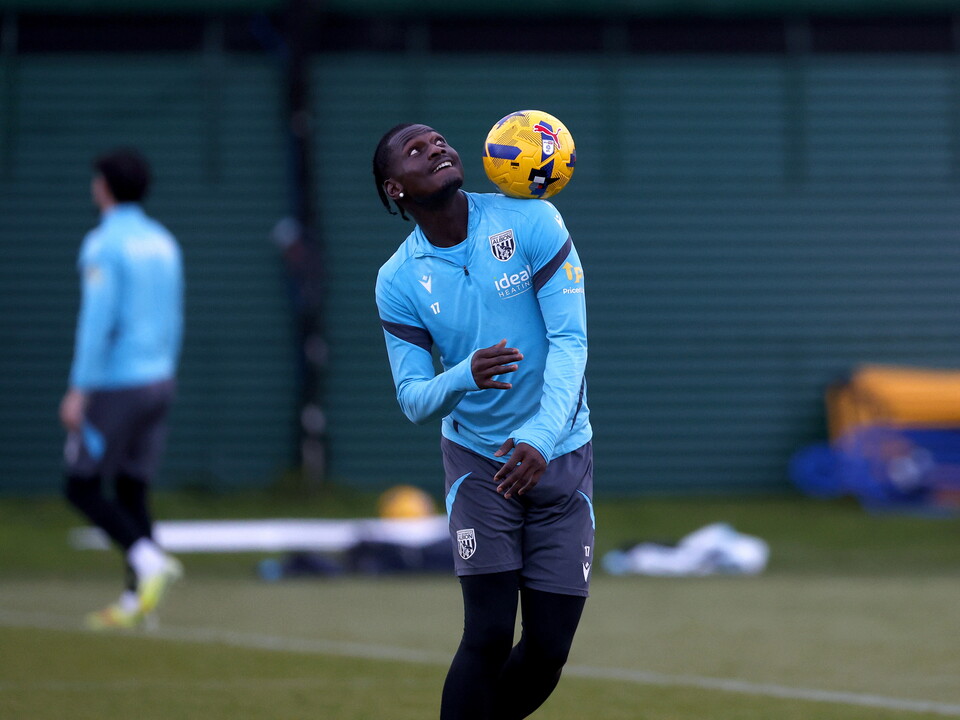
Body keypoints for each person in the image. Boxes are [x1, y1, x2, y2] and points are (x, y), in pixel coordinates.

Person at [372, 123, 594, 719]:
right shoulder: (397, 280)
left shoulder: (532, 221)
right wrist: (465, 373)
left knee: (548, 648)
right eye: (416, 151)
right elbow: (415, 399)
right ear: (395, 188)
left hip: (561, 456)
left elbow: (571, 343)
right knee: (489, 634)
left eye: (440, 141)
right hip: (479, 464)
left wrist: (542, 439)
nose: (437, 148)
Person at [60, 147, 184, 630]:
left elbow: (97, 322)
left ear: (104, 187)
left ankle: (149, 563)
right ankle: (139, 604)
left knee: (80, 484)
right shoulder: (163, 242)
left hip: (116, 383)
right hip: (160, 380)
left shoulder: (103, 244)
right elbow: (172, 316)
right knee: (133, 487)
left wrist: (78, 389)